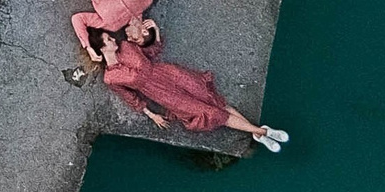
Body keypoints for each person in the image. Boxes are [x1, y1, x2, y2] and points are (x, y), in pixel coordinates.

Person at [93, 16, 288, 153]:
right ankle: (262, 132)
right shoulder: (110, 77)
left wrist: (156, 32)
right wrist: (152, 115)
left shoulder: (127, 46)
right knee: (209, 112)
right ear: (102, 49)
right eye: (108, 40)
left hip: (169, 74)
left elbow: (151, 53)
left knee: (212, 100)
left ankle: (260, 133)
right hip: (162, 94)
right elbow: (130, 97)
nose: (113, 38)